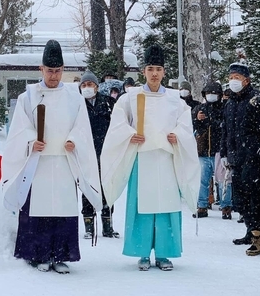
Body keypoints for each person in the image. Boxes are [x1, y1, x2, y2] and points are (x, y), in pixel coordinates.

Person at [1, 40, 103, 274]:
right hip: (39, 162)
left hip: (64, 160)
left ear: (63, 70)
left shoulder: (73, 96)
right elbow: (19, 128)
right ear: (41, 69)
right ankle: (38, 255)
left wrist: (74, 140)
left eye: (58, 71)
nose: (54, 76)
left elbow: (82, 126)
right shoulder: (29, 96)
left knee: (62, 208)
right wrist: (30, 141)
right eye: (49, 71)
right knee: (40, 209)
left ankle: (61, 255)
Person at [100, 44, 200, 271]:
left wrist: (179, 136)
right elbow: (118, 123)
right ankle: (142, 252)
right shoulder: (131, 98)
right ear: (143, 71)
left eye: (158, 69)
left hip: (166, 159)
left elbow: (186, 123)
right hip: (141, 159)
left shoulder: (176, 99)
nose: (154, 73)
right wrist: (129, 135)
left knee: (167, 206)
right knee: (141, 206)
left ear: (164, 72)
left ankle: (165, 253)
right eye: (150, 68)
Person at [220, 62, 259, 246]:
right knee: (241, 197)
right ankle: (250, 230)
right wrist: (225, 152)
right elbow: (225, 130)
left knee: (255, 197)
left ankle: (257, 234)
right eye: (230, 78)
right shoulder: (229, 104)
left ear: (246, 80)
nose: (233, 81)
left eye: (237, 77)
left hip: (253, 156)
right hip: (235, 156)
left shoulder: (255, 100)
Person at [79, 70, 119, 239]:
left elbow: (118, 125)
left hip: (106, 151)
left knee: (107, 188)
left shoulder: (109, 103)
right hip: (86, 152)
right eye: (84, 85)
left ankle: (108, 225)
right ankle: (89, 226)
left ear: (97, 86)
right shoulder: (77, 105)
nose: (87, 88)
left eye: (90, 84)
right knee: (88, 187)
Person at [191, 81, 225, 218]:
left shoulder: (224, 108)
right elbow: (193, 126)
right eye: (209, 93)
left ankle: (226, 206)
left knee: (222, 181)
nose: (211, 96)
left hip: (219, 150)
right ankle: (202, 206)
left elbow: (225, 125)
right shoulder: (200, 108)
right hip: (203, 150)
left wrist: (212, 121)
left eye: (214, 93)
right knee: (202, 180)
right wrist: (197, 119)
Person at [240, 94, 260, 256]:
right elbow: (246, 130)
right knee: (254, 198)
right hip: (255, 159)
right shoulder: (255, 103)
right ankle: (257, 237)